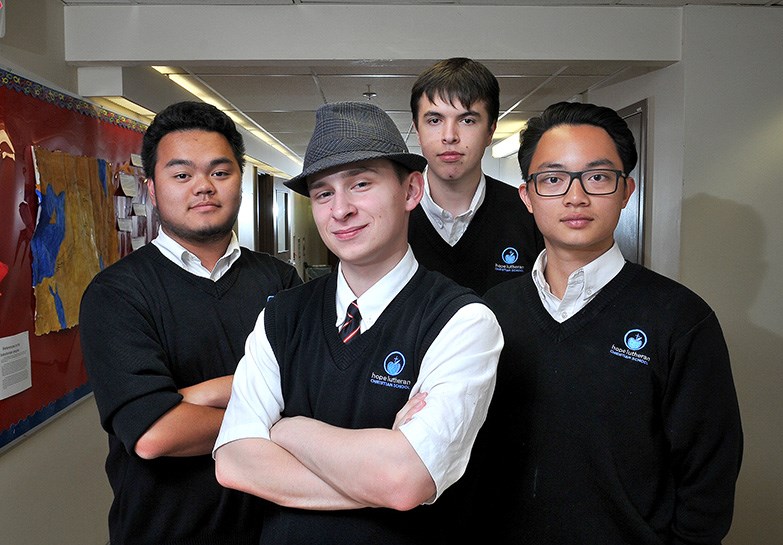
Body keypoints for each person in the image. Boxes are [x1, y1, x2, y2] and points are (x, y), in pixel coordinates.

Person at [213, 101, 503, 545]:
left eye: (361, 184)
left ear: (410, 191)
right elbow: (234, 462)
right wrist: (379, 470)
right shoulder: (281, 316)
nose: (340, 209)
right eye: (324, 193)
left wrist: (287, 429)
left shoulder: (462, 321)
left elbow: (404, 480)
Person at [478, 101, 744, 544]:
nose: (575, 196)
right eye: (553, 178)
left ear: (626, 191)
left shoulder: (679, 319)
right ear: (526, 196)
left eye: (598, 177)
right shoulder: (491, 312)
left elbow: (709, 477)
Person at [79, 101, 302, 545]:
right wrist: (271, 405)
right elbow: (154, 434)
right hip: (169, 531)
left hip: (277, 526)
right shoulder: (117, 294)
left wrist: (190, 398)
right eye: (182, 175)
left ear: (241, 179)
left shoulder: (280, 280)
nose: (203, 187)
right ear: (152, 186)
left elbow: (315, 390)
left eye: (220, 172)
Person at [408, 57, 544, 295]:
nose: (449, 136)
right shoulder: (390, 215)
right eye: (435, 120)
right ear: (418, 131)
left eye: (467, 120)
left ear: (490, 131)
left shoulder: (530, 214)